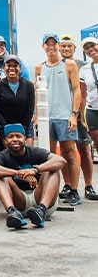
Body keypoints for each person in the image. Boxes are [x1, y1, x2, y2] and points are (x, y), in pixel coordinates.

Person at [0, 123, 65, 229]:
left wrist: (34, 170)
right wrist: (18, 173)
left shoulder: (35, 152)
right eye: (10, 137)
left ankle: (41, 211)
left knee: (52, 170)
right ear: (5, 141)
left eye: (18, 136)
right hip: (20, 202)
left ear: (24, 139)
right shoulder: (2, 156)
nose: (15, 139)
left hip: (40, 198)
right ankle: (12, 212)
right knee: (1, 175)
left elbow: (61, 160)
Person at [35, 33, 82, 206]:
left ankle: (75, 189)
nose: (51, 47)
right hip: (47, 117)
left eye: (54, 44)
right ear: (43, 47)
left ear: (58, 46)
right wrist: (36, 115)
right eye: (47, 44)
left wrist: (74, 114)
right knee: (52, 155)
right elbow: (36, 91)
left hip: (65, 116)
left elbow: (76, 90)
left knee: (69, 152)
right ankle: (66, 186)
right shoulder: (40, 67)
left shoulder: (69, 65)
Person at [60, 34, 93, 202]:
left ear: (74, 49)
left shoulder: (84, 66)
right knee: (66, 151)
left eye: (69, 46)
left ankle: (88, 185)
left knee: (84, 149)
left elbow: (84, 91)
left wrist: (82, 115)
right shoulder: (56, 65)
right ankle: (68, 184)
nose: (66, 49)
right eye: (63, 46)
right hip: (62, 113)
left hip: (79, 114)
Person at [0, 55, 36, 146]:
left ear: (20, 68)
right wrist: (8, 128)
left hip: (25, 125)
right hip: (5, 126)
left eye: (15, 66)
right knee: (11, 155)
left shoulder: (29, 85)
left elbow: (30, 109)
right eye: (9, 66)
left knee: (27, 153)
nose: (12, 68)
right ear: (4, 68)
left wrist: (23, 128)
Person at [79, 37, 98, 201]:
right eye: (87, 48)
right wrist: (83, 116)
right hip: (93, 111)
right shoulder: (85, 69)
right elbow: (83, 95)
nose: (90, 49)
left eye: (93, 46)